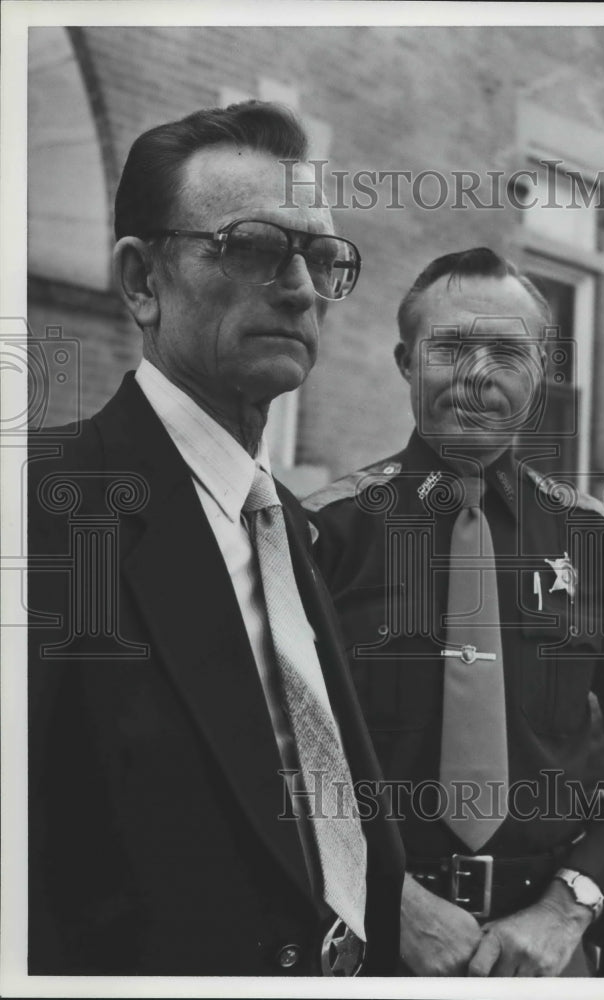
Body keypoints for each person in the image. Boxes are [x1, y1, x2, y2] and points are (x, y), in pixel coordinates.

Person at [27, 101, 404, 976]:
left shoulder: (293, 532)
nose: (302, 285)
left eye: (319, 256)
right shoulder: (46, 508)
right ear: (141, 281)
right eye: (254, 246)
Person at [305, 247, 604, 977]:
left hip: (550, 952)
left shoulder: (593, 541)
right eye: (450, 346)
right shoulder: (320, 538)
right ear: (404, 361)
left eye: (507, 352)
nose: (478, 374)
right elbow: (270, 753)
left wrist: (571, 903)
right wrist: (387, 899)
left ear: (541, 373)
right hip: (367, 944)